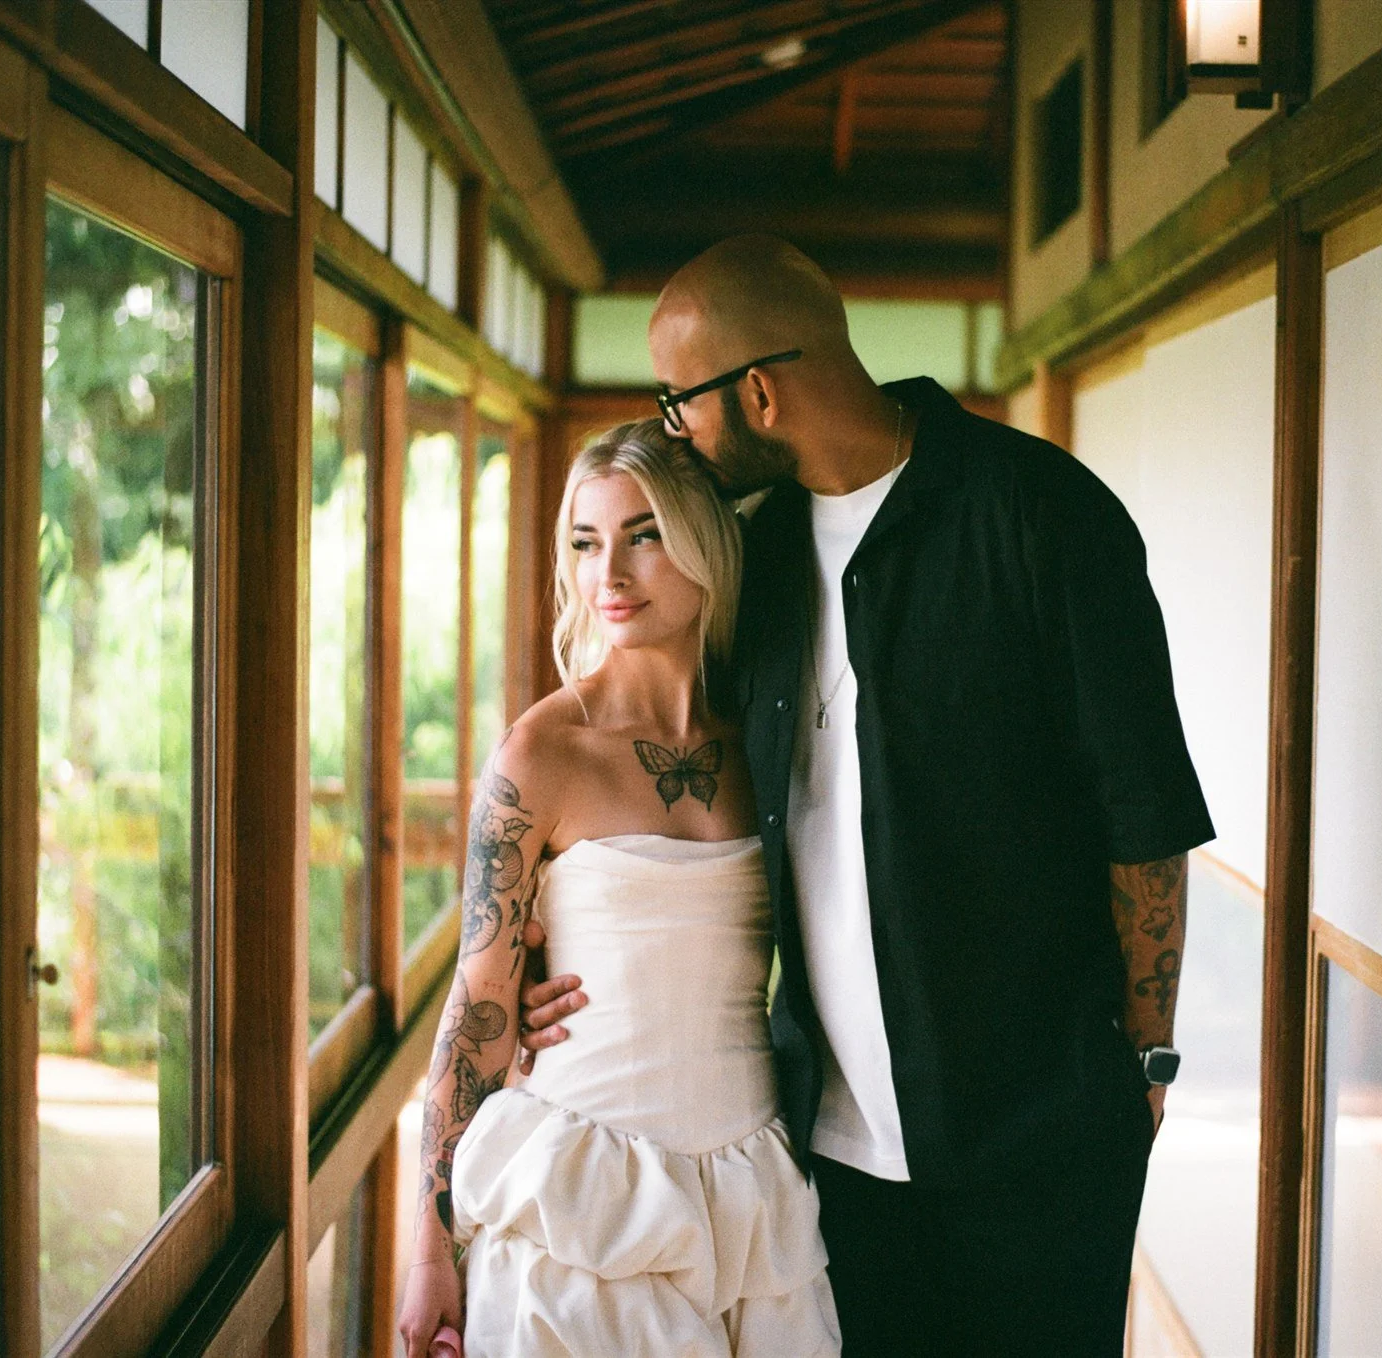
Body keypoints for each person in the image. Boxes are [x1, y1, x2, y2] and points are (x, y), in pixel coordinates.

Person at [521, 235, 1213, 1355]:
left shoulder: (1041, 513)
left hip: (1042, 1140)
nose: (671, 429)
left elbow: (1145, 818)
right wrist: (545, 944)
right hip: (830, 1153)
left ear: (757, 392)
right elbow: (662, 744)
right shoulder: (756, 563)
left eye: (678, 400)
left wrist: (1144, 1062)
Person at [396, 422, 841, 1358]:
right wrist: (429, 1254)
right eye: (586, 543)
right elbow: (477, 1005)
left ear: (706, 543)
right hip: (580, 1200)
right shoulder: (540, 753)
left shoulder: (771, 743)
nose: (611, 574)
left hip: (750, 1203)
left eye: (645, 535)